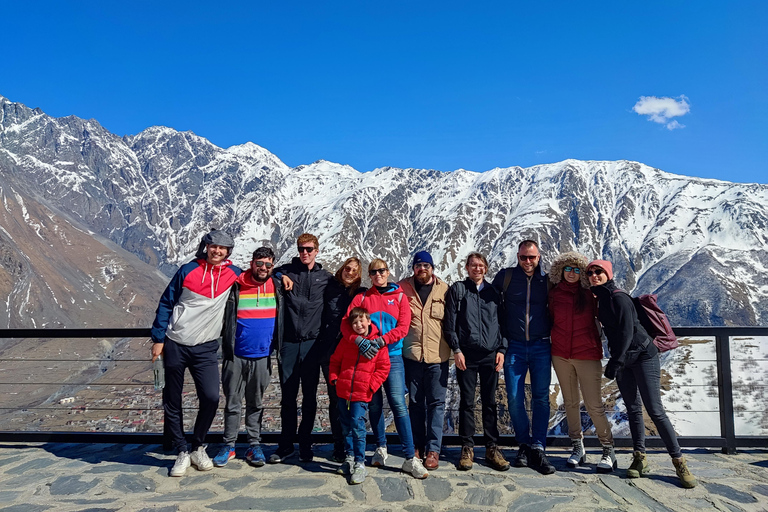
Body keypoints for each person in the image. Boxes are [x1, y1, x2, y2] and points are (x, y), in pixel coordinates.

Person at [587, 259, 697, 488]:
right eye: (590, 272)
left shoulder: (618, 297)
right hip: (624, 359)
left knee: (655, 410)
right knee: (633, 409)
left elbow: (627, 331)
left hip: (643, 355)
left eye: (599, 271)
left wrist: (615, 361)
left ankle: (679, 461)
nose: (594, 275)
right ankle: (639, 459)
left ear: (608, 273)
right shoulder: (600, 299)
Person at [150, 229, 241, 477]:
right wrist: (158, 338)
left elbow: (259, 277)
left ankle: (197, 445)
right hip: (175, 343)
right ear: (206, 247)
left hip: (206, 347)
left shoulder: (233, 274)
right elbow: (166, 302)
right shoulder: (187, 270)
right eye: (214, 246)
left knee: (211, 397)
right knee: (172, 398)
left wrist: (283, 278)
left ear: (228, 252)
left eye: (223, 248)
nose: (217, 251)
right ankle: (181, 450)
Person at [340, 258, 429, 479]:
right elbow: (345, 323)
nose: (378, 275)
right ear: (369, 275)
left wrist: (382, 341)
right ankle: (381, 447)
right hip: (367, 358)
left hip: (392, 356)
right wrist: (357, 340)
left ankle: (410, 457)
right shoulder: (362, 297)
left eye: (381, 271)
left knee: (398, 403)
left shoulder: (399, 297)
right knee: (375, 405)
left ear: (388, 272)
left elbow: (403, 326)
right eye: (373, 272)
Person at [214, 247, 281, 468]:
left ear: (273, 266)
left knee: (256, 403)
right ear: (252, 263)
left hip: (263, 356)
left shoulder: (277, 285)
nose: (263, 268)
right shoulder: (237, 284)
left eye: (268, 265)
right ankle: (229, 445)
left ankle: (254, 445)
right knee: (232, 402)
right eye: (259, 264)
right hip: (235, 355)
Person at [548, 252, 615, 472]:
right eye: (568, 268)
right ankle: (577, 447)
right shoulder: (554, 293)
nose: (572, 273)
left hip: (587, 354)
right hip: (560, 354)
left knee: (594, 404)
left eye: (577, 270)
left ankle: (608, 449)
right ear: (560, 270)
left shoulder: (591, 294)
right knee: (570, 403)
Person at [269, 233, 333, 463]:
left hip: (312, 344)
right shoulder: (287, 271)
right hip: (288, 343)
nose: (304, 253)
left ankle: (305, 443)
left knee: (309, 397)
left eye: (309, 249)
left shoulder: (324, 278)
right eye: (301, 249)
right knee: (287, 395)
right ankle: (285, 444)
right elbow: (269, 273)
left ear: (317, 250)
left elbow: (344, 291)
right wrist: (279, 275)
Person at [492, 239, 555, 474]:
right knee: (514, 398)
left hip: (541, 345)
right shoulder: (506, 277)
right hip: (514, 346)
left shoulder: (547, 281)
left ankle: (538, 445)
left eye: (532, 257)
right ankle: (524, 443)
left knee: (540, 397)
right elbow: (491, 307)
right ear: (517, 256)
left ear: (539, 257)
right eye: (523, 257)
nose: (527, 262)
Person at [444, 252, 510, 472]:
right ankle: (467, 447)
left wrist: (502, 349)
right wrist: (457, 349)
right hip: (467, 355)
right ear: (467, 267)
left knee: (490, 402)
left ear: (486, 268)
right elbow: (450, 323)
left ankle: (492, 447)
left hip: (491, 354)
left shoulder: (493, 293)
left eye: (481, 265)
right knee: (467, 402)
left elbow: (503, 323)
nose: (477, 269)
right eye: (473, 265)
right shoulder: (458, 290)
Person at [398, 251, 450, 469]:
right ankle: (417, 445)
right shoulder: (402, 289)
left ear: (432, 268)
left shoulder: (445, 290)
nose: (422, 269)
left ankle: (433, 450)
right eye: (418, 265)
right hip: (412, 356)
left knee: (436, 404)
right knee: (416, 403)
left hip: (438, 356)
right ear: (413, 268)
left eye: (426, 265)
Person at [329, 307, 391, 485]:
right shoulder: (347, 342)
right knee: (346, 425)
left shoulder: (377, 344)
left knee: (358, 426)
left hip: (362, 393)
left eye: (361, 321)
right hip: (344, 390)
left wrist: (371, 386)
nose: (358, 325)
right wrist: (335, 379)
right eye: (354, 322)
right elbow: (335, 361)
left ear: (369, 321)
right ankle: (349, 457)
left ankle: (359, 462)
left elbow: (383, 368)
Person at [318, 257, 367, 462]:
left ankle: (352, 446)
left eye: (355, 271)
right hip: (329, 352)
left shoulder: (361, 293)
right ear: (342, 269)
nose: (350, 273)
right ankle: (339, 444)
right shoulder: (328, 287)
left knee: (352, 400)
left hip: (351, 352)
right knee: (335, 399)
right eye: (348, 269)